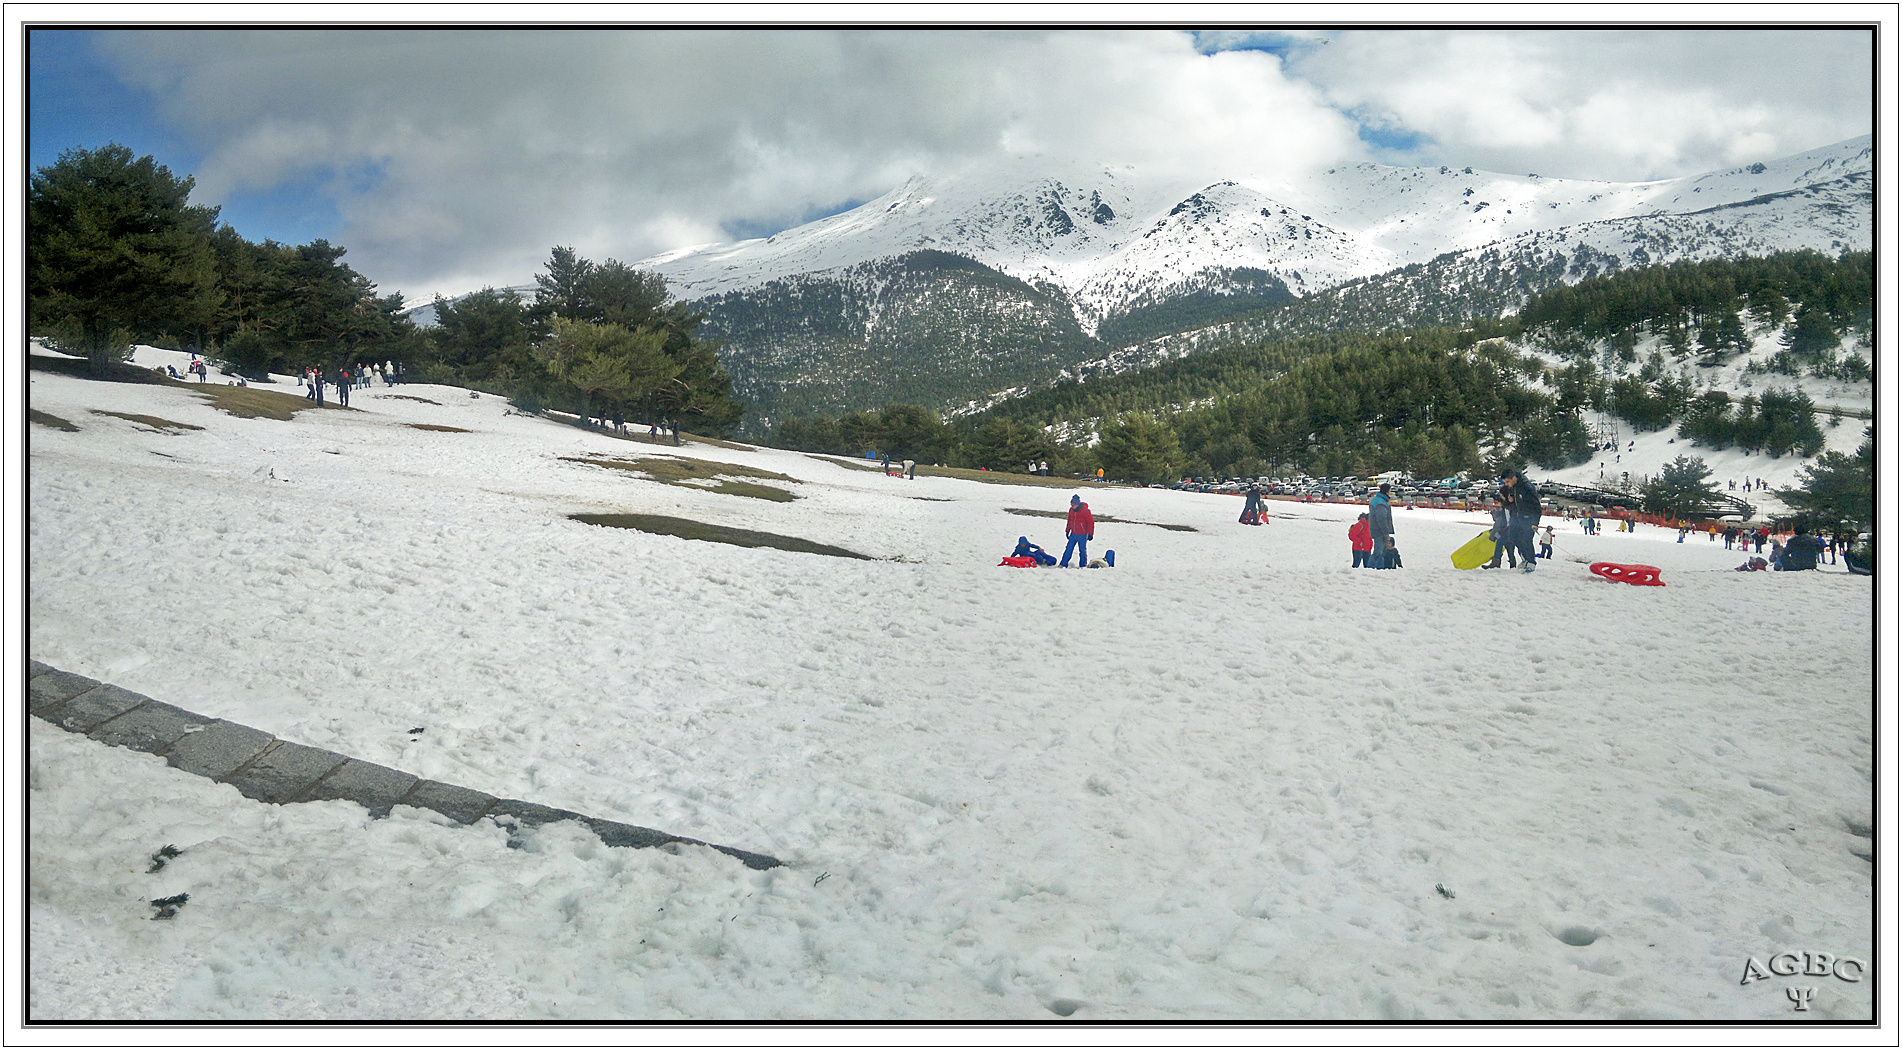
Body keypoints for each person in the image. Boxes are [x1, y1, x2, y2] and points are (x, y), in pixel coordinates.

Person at [1499, 467, 1540, 573]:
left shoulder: (1526, 487)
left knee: (1526, 539)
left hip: (1529, 517)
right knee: (1512, 536)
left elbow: (1537, 506)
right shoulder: (1514, 486)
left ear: (1514, 478)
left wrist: (1535, 523)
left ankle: (1531, 562)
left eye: (1508, 481)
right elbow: (1514, 494)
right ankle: (1525, 558)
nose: (1507, 484)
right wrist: (1511, 497)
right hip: (1517, 516)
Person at [1060, 494, 1095, 568]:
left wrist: (1090, 533)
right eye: (1071, 504)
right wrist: (1067, 530)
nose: (1072, 506)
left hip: (1082, 535)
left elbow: (1090, 522)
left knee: (1082, 551)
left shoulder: (1086, 511)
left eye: (1073, 505)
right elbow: (1069, 520)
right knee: (1068, 549)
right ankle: (1063, 563)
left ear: (1077, 504)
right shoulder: (1071, 510)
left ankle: (1083, 565)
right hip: (1073, 534)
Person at [1367, 483, 1394, 569]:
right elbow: (1382, 519)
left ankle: (1379, 568)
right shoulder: (1381, 502)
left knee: (1381, 552)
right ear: (1387, 491)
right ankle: (1373, 568)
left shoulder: (1377, 500)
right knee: (1378, 552)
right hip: (1379, 531)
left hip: (1376, 529)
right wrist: (1386, 532)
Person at [1483, 498, 1514, 569]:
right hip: (1504, 531)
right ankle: (1510, 564)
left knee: (1508, 546)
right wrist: (1493, 511)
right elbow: (1497, 519)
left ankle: (1497, 563)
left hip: (1509, 530)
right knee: (1505, 545)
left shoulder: (1511, 509)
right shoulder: (1503, 509)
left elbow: (1510, 522)